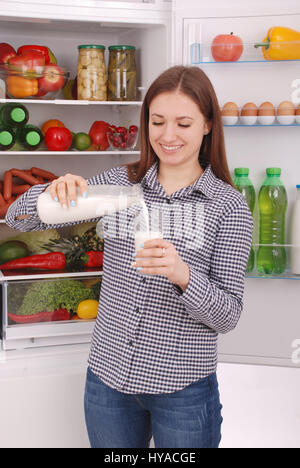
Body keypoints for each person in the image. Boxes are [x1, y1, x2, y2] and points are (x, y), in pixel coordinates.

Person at [6, 66, 253, 449]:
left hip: (183, 390)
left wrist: (182, 274)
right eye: (157, 122)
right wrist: (52, 192)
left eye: (183, 123)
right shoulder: (121, 185)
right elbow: (16, 219)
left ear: (207, 125)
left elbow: (228, 315)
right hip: (108, 381)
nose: (168, 136)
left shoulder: (228, 207)